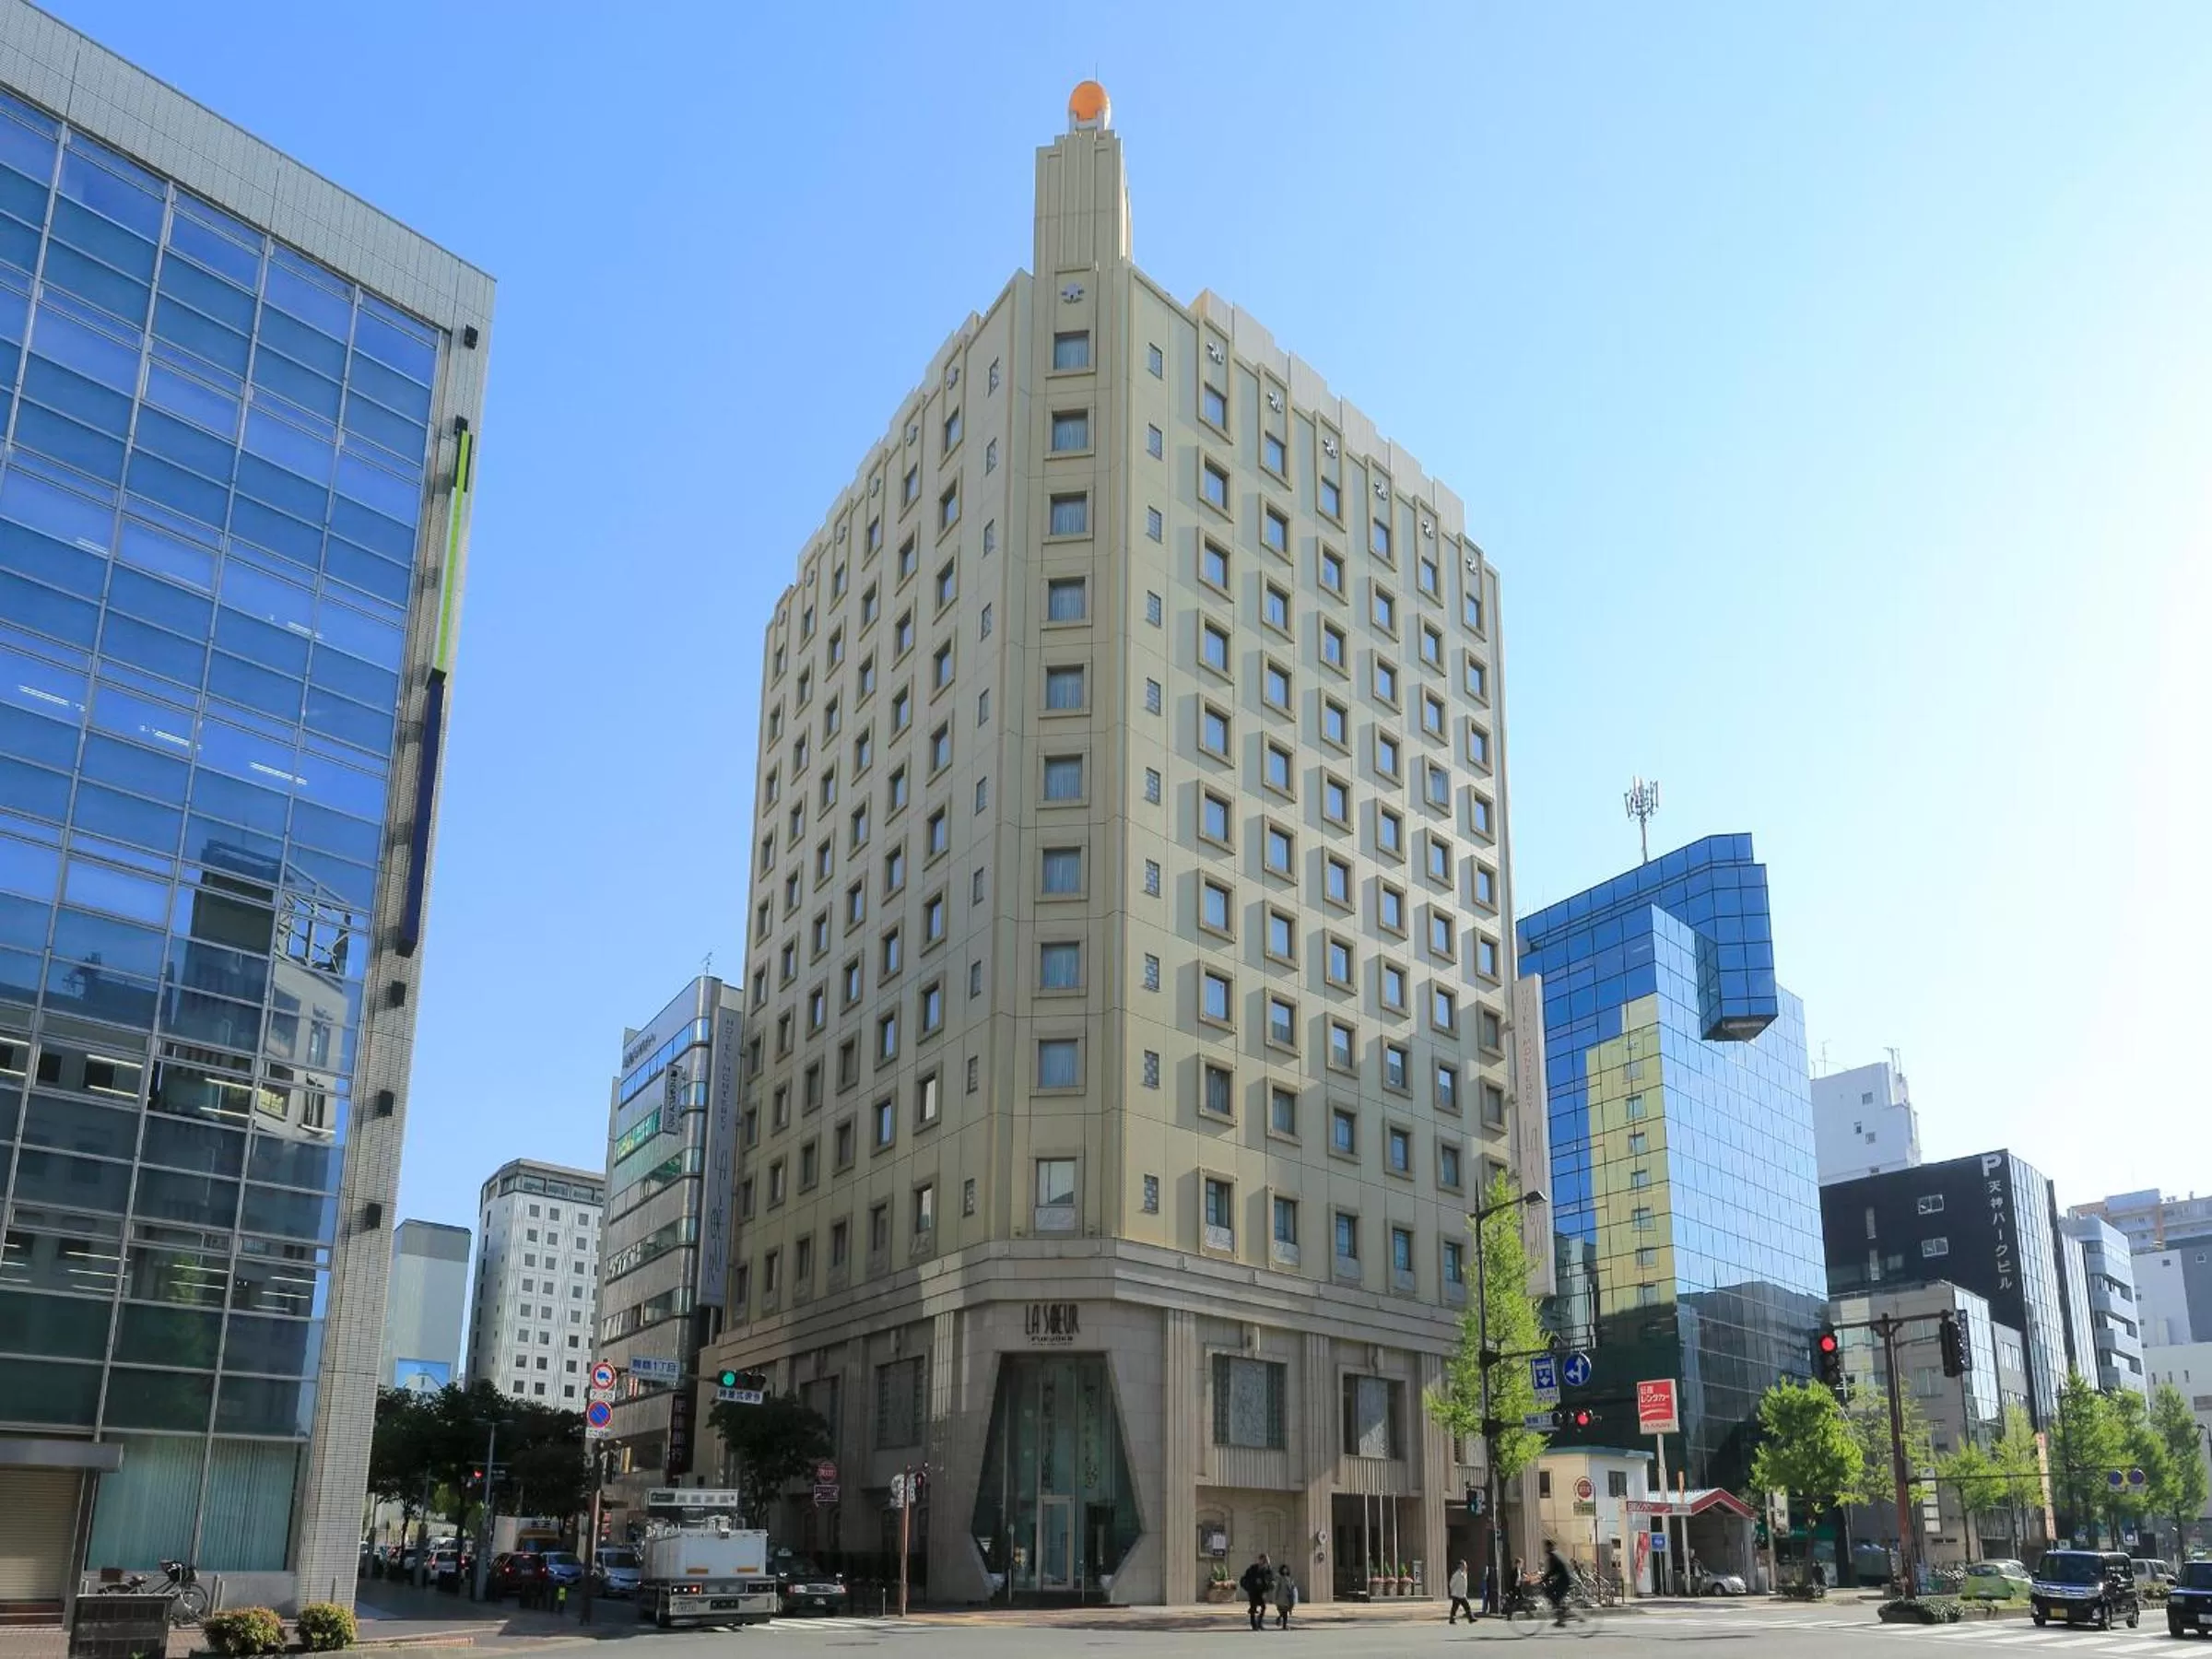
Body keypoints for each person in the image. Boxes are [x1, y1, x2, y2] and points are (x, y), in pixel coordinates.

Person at [1240, 1553, 1276, 1632]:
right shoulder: (1252, 1568)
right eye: (1263, 1560)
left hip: (1260, 1592)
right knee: (1253, 1608)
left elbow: (1271, 1578)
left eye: (1265, 1561)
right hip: (1253, 1591)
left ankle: (1259, 1622)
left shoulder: (1267, 1570)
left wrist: (1269, 1567)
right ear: (1259, 1560)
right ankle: (1254, 1625)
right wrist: (1253, 1583)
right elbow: (1245, 1578)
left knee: (1263, 1607)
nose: (1263, 1562)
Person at [1542, 1540, 1572, 1626]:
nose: (1545, 1549)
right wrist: (1545, 1578)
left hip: (1564, 1580)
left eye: (1546, 1547)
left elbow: (1552, 1571)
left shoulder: (1553, 1555)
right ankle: (1561, 1616)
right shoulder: (1556, 1554)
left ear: (1549, 1547)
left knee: (1549, 1593)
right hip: (1564, 1579)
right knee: (1556, 1597)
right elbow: (1555, 1571)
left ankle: (1562, 1617)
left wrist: (1543, 1579)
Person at [1447, 1559, 1476, 1624]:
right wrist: (1453, 1591)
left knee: (1467, 1607)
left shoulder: (1464, 1573)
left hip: (1462, 1594)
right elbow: (1451, 1583)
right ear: (1460, 1566)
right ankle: (1452, 1619)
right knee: (1455, 1608)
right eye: (1464, 1565)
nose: (1465, 1566)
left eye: (1465, 1565)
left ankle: (1471, 1618)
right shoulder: (1457, 1574)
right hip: (1456, 1594)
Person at [1273, 1563, 1299, 1630]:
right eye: (1284, 1569)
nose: (1285, 1571)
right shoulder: (1280, 1578)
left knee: (1285, 1612)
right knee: (1284, 1612)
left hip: (1288, 1598)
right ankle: (1284, 1625)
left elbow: (1292, 1587)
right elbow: (1277, 1588)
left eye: (1286, 1569)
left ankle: (1281, 1621)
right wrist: (1275, 1598)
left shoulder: (1289, 1578)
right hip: (1281, 1598)